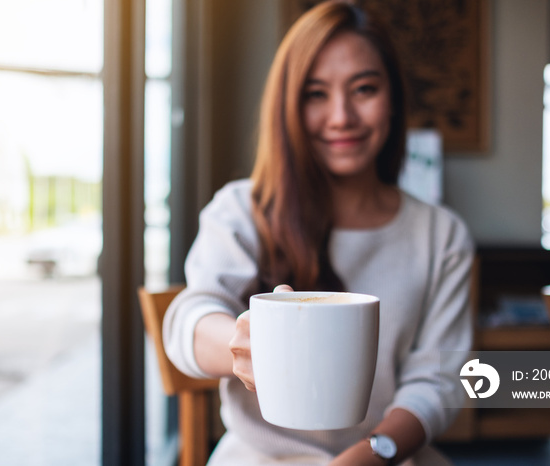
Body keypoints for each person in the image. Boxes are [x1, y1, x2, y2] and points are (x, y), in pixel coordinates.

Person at [164, 1, 474, 464]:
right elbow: (190, 317)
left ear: (393, 98)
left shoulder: (441, 235)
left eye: (364, 89)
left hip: (387, 456)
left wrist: (372, 454)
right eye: (315, 94)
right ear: (288, 104)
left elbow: (439, 379)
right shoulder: (242, 209)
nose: (341, 116)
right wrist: (240, 348)